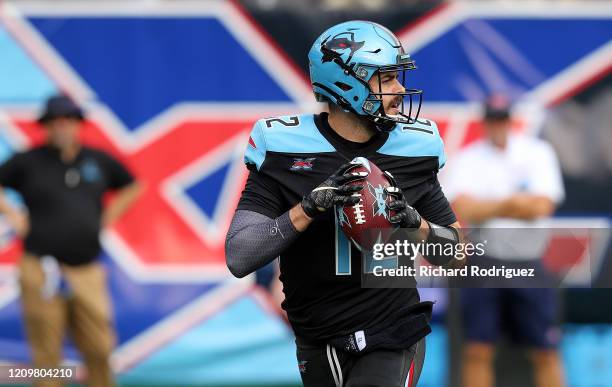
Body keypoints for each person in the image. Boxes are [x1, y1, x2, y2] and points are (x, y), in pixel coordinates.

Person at [226, 21, 460, 387]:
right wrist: (308, 208)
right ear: (345, 82)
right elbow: (240, 255)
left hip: (392, 333)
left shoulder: (415, 149)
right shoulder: (284, 149)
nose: (399, 89)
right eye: (386, 79)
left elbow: (458, 252)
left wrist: (417, 226)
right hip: (316, 335)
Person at [0, 95, 142, 387]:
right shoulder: (29, 161)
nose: (61, 127)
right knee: (46, 352)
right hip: (41, 267)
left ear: (78, 124)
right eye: (54, 122)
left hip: (85, 268)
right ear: (45, 126)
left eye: (67, 121)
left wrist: (106, 216)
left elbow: (133, 185)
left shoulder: (97, 160)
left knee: (100, 347)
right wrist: (13, 216)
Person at [443, 95, 566, 387]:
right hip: (485, 262)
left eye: (502, 119)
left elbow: (542, 207)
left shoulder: (537, 152)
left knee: (545, 351)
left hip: (528, 262)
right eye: (492, 120)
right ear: (485, 122)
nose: (497, 125)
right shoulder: (469, 157)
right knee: (477, 350)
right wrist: (513, 204)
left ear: (511, 120)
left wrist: (488, 206)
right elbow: (462, 208)